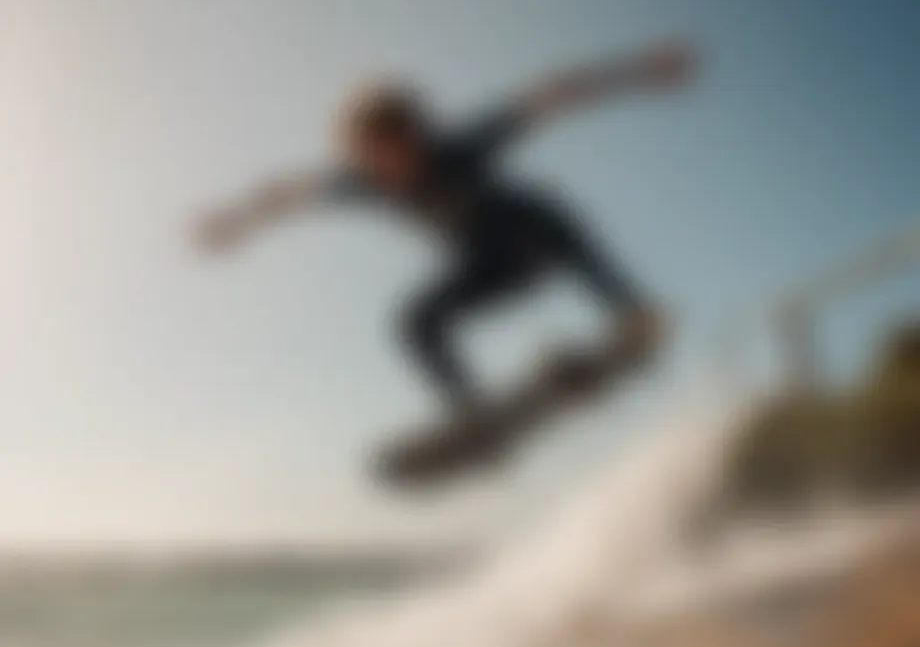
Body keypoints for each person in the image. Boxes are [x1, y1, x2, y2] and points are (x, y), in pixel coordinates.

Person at [195, 41, 697, 411]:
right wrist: (235, 221)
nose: (397, 165)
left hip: (533, 240)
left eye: (403, 145)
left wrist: (636, 71)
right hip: (491, 272)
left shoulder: (461, 148)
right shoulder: (364, 184)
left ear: (418, 134)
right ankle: (473, 412)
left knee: (543, 208)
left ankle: (631, 312)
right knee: (412, 323)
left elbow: (546, 97)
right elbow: (291, 192)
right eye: (379, 157)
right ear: (364, 157)